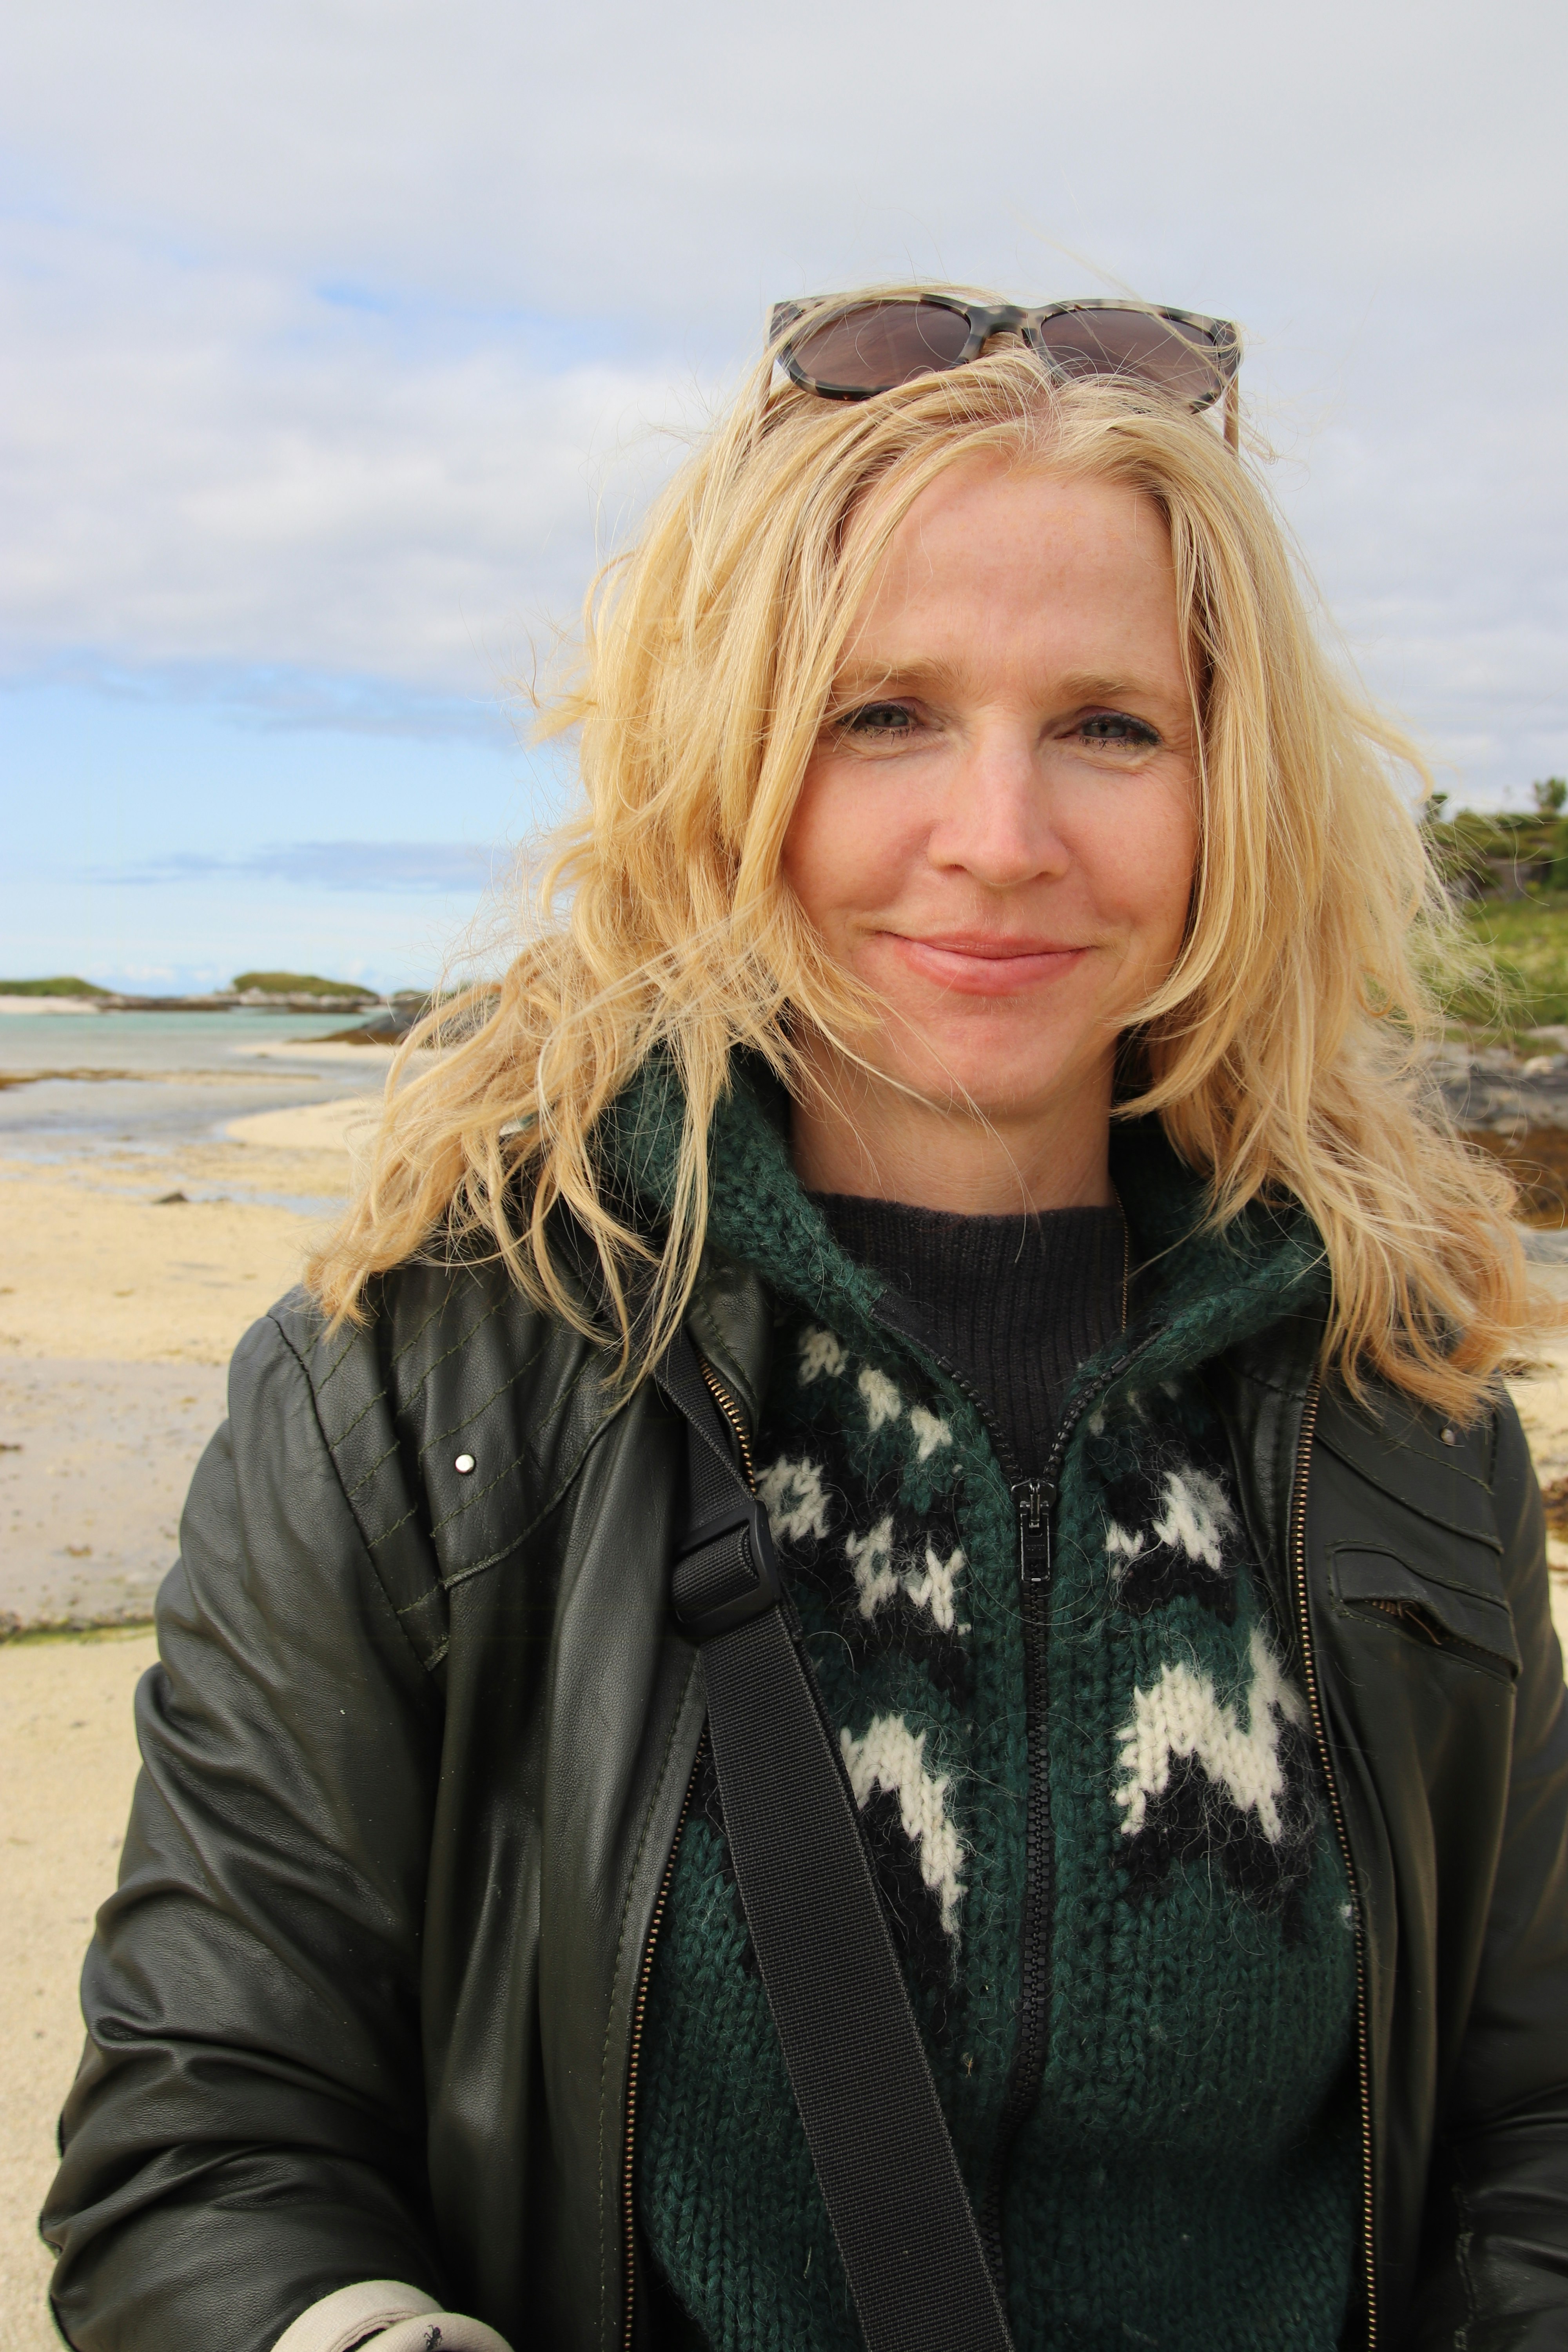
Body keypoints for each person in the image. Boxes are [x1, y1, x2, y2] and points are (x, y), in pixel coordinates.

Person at [42, 290, 1568, 2352]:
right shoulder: (415, 1386)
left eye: (1112, 727)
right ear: (728, 762)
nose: (999, 840)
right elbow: (207, 2143)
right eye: (884, 715)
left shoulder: (1401, 1400)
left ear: (1239, 789)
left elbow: (1535, 2119)